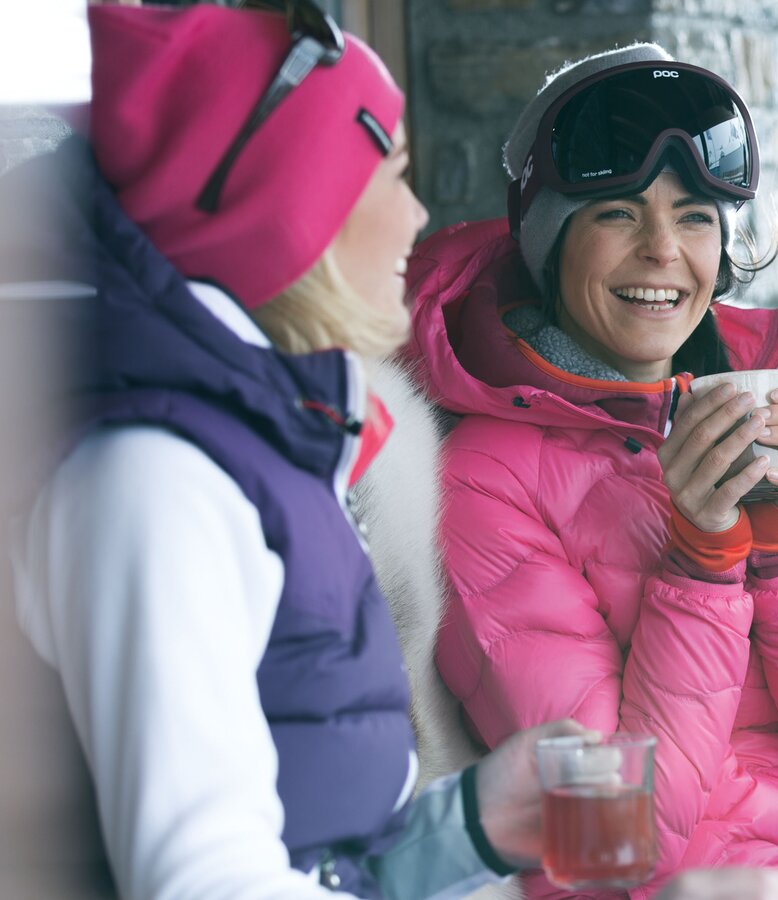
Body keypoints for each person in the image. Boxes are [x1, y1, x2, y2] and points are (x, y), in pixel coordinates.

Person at [10, 4, 584, 897]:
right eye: (391, 173)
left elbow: (319, 859)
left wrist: (472, 824)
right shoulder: (157, 486)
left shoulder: (282, 446)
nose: (420, 213)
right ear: (297, 213)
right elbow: (207, 885)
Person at [403, 43, 778, 898]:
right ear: (548, 242)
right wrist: (701, 566)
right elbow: (616, 833)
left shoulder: (766, 418)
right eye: (617, 212)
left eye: (693, 216)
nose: (662, 250)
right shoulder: (481, 480)